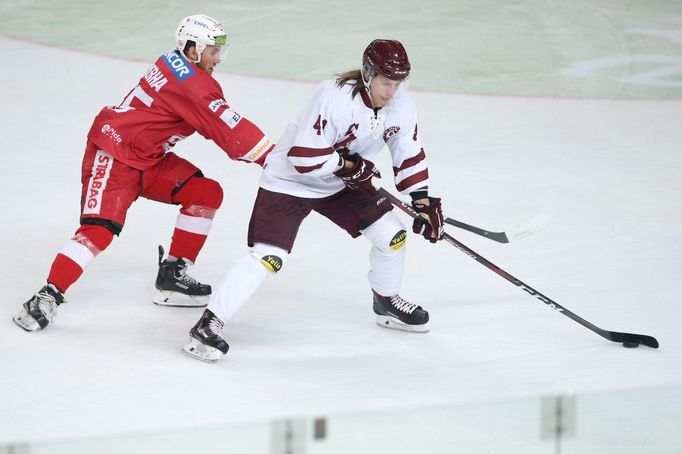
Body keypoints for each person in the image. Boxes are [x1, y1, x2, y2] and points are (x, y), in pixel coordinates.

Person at [182, 39, 445, 362]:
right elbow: (303, 156)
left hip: (339, 183)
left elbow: (408, 151)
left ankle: (386, 301)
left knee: (393, 236)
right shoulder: (333, 97)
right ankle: (209, 325)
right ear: (367, 74)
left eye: (397, 83)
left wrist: (421, 200)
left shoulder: (400, 107)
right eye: (386, 82)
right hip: (289, 180)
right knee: (269, 257)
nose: (391, 91)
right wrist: (351, 166)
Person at [13, 15, 274, 332]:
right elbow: (231, 131)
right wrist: (276, 159)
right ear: (192, 49)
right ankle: (47, 295)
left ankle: (173, 274)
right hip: (115, 155)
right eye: (212, 52)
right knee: (99, 230)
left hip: (147, 157)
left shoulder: (173, 61)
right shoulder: (194, 85)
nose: (217, 59)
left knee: (205, 192)